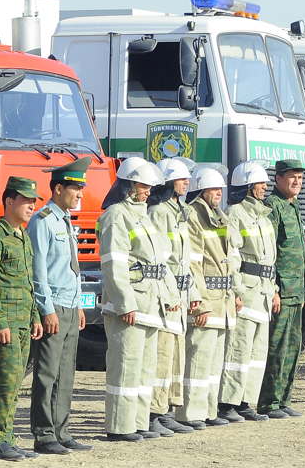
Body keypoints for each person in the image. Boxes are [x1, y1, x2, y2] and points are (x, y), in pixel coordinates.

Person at [99, 158, 179, 442]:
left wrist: (170, 297)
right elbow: (114, 263)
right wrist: (124, 303)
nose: (148, 191)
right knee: (126, 366)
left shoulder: (144, 216)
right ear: (129, 185)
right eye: (144, 186)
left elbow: (161, 263)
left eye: (149, 187)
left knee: (145, 368)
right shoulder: (116, 215)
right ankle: (120, 426)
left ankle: (139, 422)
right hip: (131, 304)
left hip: (152, 303)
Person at [27, 156, 93, 455]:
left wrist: (78, 304)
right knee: (47, 372)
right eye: (74, 189)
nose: (79, 194)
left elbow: (71, 268)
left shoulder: (65, 221)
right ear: (57, 189)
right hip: (54, 306)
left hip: (69, 304)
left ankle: (62, 430)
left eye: (81, 189)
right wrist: (47, 308)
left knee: (66, 372)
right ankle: (44, 433)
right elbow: (38, 269)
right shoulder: (42, 221)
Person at [0, 177, 44, 462]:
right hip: (8, 321)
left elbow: (28, 282)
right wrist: (0, 321)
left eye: (34, 201)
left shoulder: (22, 237)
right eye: (26, 200)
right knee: (6, 384)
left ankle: (7, 438)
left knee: (17, 384)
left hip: (23, 321)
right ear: (9, 201)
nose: (31, 205)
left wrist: (35, 317)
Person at [175, 166, 238, 427]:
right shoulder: (193, 217)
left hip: (222, 299)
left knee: (213, 362)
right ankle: (191, 413)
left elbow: (230, 258)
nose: (218, 194)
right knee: (198, 360)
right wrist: (197, 302)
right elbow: (193, 264)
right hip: (206, 299)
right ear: (201, 191)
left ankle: (209, 410)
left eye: (220, 190)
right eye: (213, 189)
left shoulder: (220, 217)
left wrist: (234, 292)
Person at [219, 161, 276, 422]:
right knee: (238, 350)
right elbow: (232, 256)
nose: (265, 188)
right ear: (248, 187)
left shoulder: (263, 217)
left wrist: (274, 290)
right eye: (260, 184)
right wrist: (237, 291)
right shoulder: (235, 214)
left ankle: (245, 400)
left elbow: (269, 260)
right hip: (247, 290)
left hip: (264, 293)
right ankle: (227, 402)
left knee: (256, 353)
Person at [147, 158, 199, 434]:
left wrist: (193, 293)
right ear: (167, 182)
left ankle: (167, 407)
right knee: (162, 354)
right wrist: (169, 294)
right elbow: (160, 260)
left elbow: (185, 259)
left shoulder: (180, 211)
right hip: (165, 295)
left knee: (176, 355)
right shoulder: (158, 212)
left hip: (180, 292)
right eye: (181, 179)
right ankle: (153, 411)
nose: (187, 183)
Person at [258, 159, 305, 419]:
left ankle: (283, 398)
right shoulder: (273, 206)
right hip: (282, 289)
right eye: (291, 177)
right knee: (276, 346)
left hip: (295, 290)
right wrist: (274, 289)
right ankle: (269, 401)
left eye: (300, 177)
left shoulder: (294, 206)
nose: (297, 182)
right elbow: (271, 251)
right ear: (277, 179)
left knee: (292, 346)